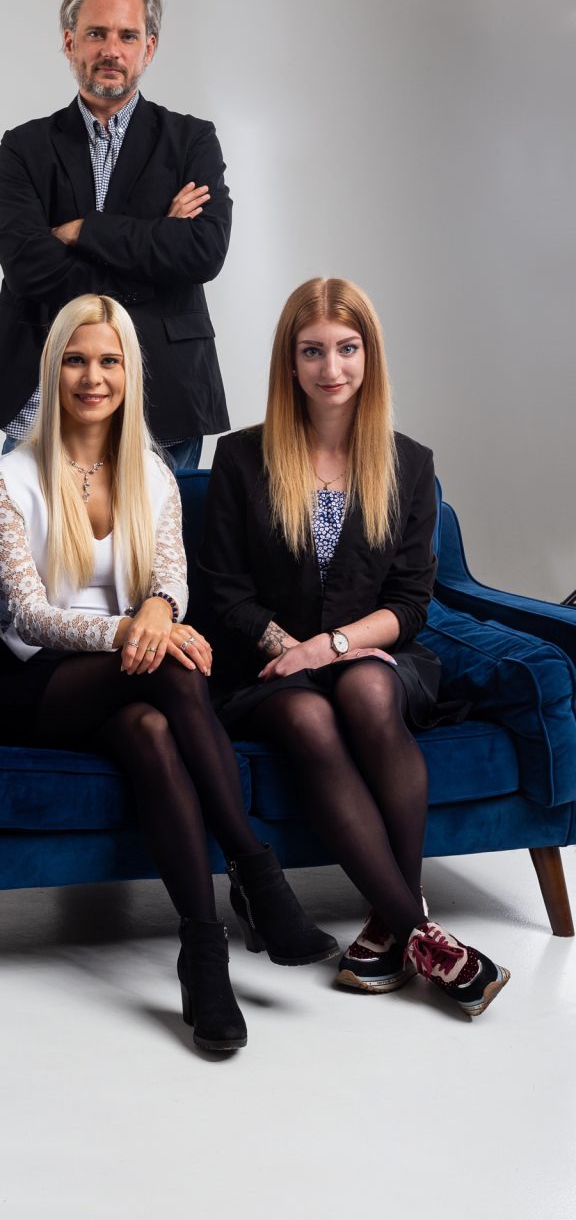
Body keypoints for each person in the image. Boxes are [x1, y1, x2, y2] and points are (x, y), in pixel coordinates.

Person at [0, 294, 337, 1054]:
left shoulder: (155, 475)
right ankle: (255, 871)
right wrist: (138, 628)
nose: (92, 377)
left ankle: (202, 951)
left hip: (132, 686)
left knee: (150, 727)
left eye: (109, 361)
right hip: (41, 688)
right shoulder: (5, 481)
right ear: (53, 368)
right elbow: (32, 616)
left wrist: (160, 612)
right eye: (76, 359)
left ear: (129, 372)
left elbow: (170, 576)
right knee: (170, 672)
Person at [200, 277, 509, 1017]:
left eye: (346, 349)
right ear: (290, 361)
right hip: (269, 670)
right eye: (312, 352)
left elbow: (409, 603)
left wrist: (331, 647)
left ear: (368, 356)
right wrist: (293, 650)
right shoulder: (241, 458)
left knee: (366, 688)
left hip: (374, 658)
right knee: (309, 717)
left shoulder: (409, 464)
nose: (330, 368)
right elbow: (223, 590)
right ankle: (418, 929)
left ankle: (391, 921)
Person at [0, 0, 231, 470]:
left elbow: (203, 251)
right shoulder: (24, 147)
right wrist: (157, 239)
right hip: (45, 390)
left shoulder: (192, 140)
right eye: (96, 34)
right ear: (70, 43)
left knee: (152, 549)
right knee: (33, 546)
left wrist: (86, 230)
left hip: (164, 392)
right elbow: (28, 265)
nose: (112, 50)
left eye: (128, 35)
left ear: (148, 48)